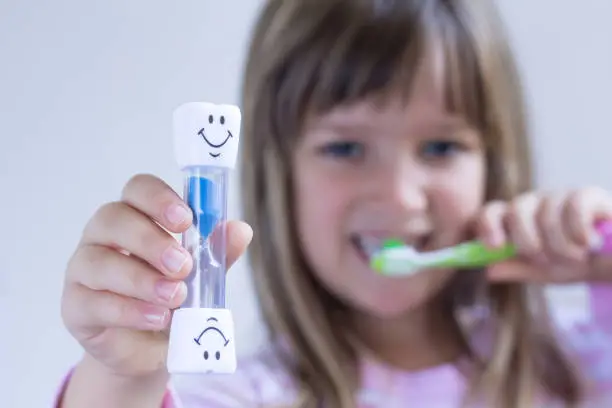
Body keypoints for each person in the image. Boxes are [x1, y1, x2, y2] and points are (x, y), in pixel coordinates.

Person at [55, 0, 612, 407]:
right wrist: (121, 381)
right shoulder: (238, 397)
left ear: (494, 161)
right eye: (345, 147)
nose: (399, 196)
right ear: (280, 173)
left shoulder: (581, 366)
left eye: (441, 147)